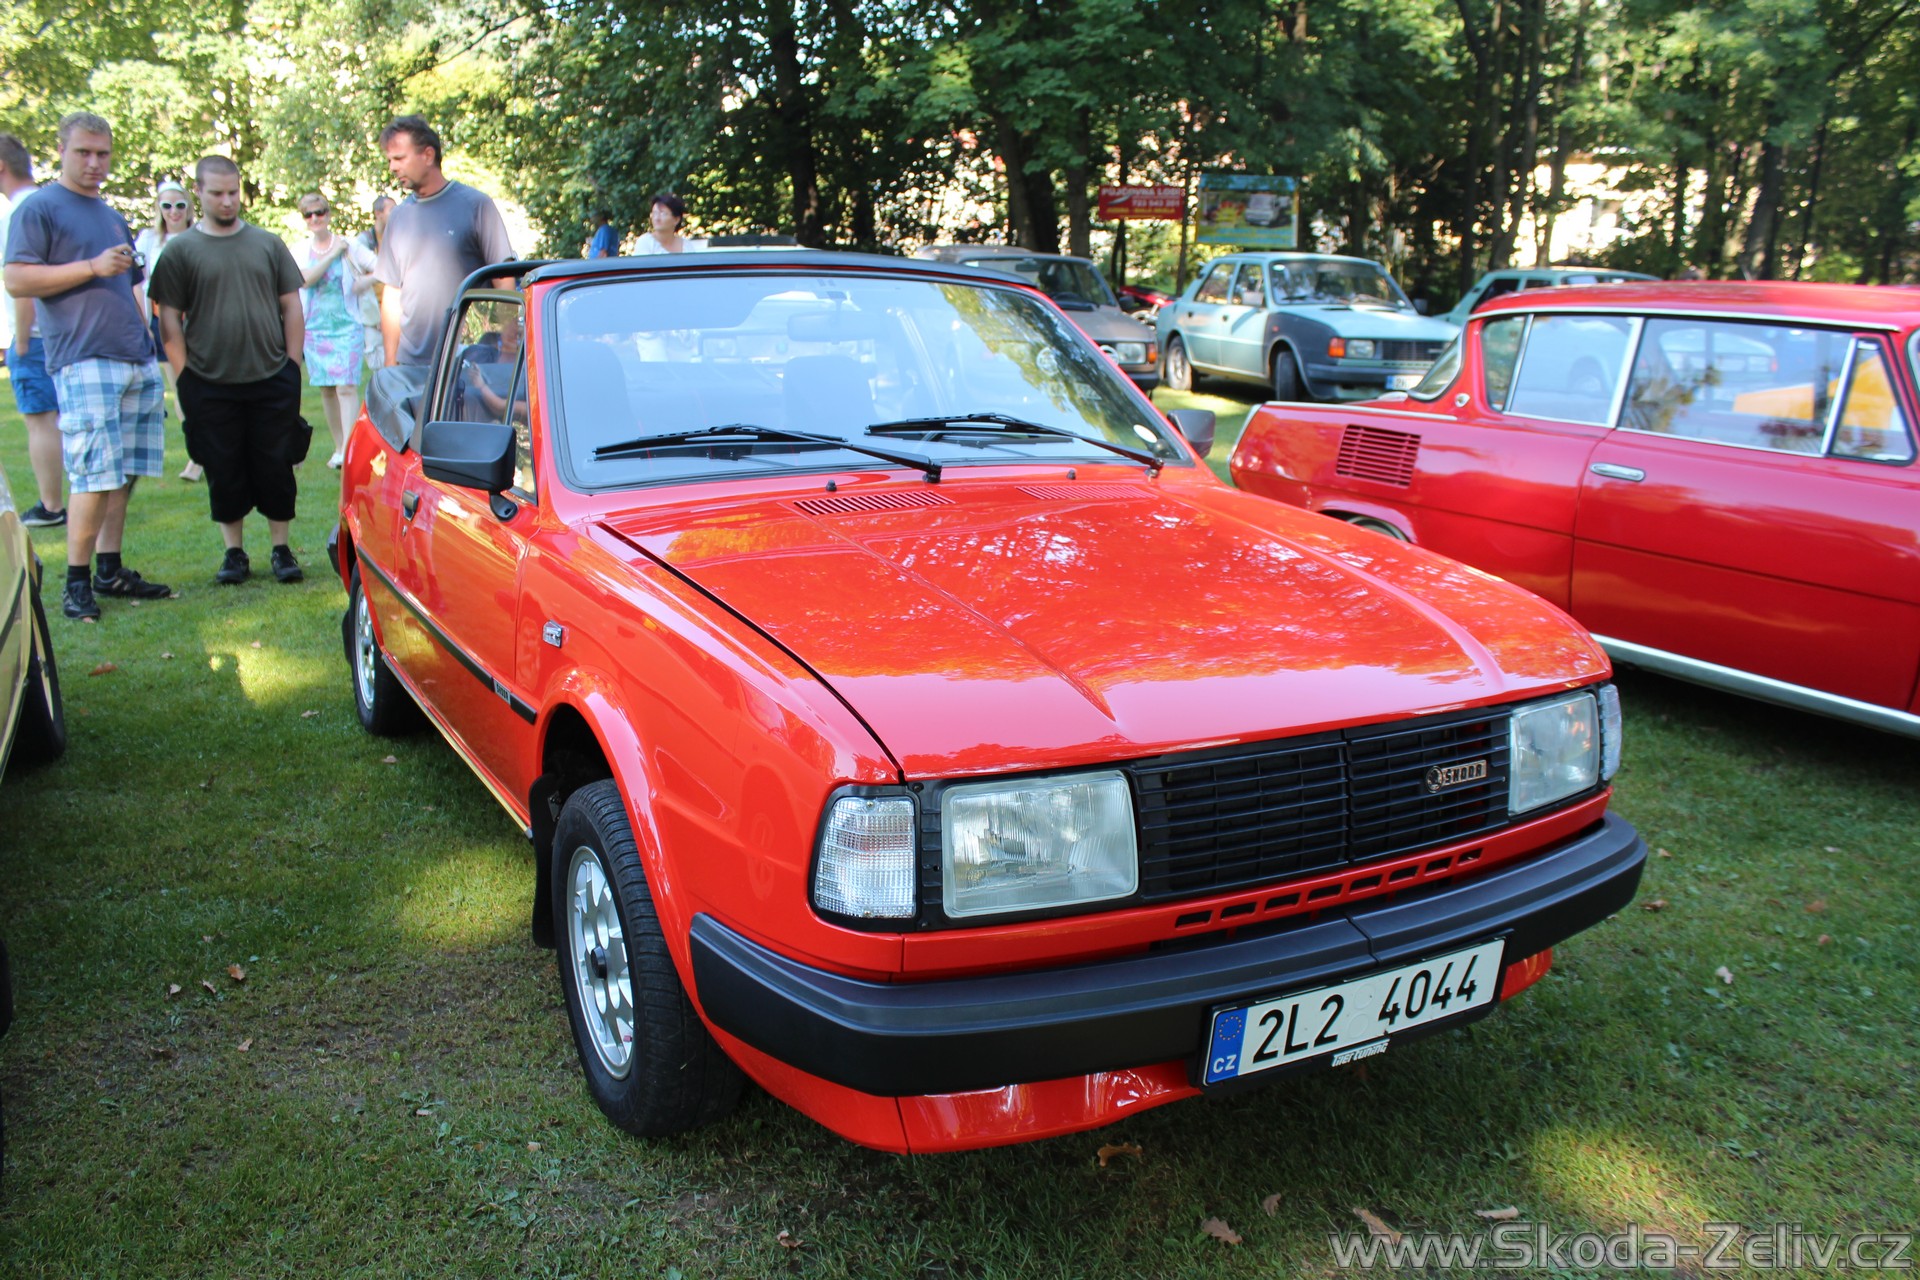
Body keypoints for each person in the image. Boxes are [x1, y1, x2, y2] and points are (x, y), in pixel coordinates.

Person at [3, 112, 173, 621]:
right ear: (61, 150)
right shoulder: (39, 208)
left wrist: (147, 342)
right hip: (83, 358)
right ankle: (76, 583)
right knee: (94, 474)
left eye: (103, 153)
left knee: (123, 473)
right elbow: (16, 279)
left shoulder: (111, 214)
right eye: (84, 152)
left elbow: (133, 284)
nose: (95, 162)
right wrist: (92, 267)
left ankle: (109, 570)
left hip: (133, 356)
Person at [148, 155, 307, 586]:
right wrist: (184, 376)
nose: (227, 201)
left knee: (276, 464)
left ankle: (281, 549)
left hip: (271, 374)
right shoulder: (180, 251)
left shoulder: (267, 243)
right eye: (217, 193)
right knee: (223, 467)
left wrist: (292, 365)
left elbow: (291, 305)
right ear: (198, 192)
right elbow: (168, 317)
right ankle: (234, 553)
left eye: (233, 192)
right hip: (209, 381)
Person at [374, 115, 514, 366]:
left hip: (469, 361)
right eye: (390, 160)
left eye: (400, 158)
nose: (393, 167)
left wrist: (509, 349)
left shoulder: (476, 205)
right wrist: (390, 363)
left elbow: (504, 282)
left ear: (428, 155)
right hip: (413, 365)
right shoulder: (398, 217)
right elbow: (392, 295)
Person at [0, 133, 65, 528]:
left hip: (36, 336)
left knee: (40, 419)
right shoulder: (47, 205)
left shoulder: (17, 214)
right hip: (61, 333)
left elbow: (23, 281)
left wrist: (21, 341)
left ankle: (51, 506)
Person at [292, 191, 376, 468]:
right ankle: (339, 447)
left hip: (347, 326)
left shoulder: (349, 245)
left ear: (328, 214)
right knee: (327, 389)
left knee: (346, 387)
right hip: (314, 329)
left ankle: (351, 450)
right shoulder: (301, 250)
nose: (315, 218)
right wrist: (331, 255)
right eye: (308, 214)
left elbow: (380, 267)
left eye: (320, 212)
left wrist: (363, 283)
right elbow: (304, 280)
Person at [135, 179, 201, 480]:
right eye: (167, 205)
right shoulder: (148, 240)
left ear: (189, 208)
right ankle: (196, 454)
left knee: (204, 386)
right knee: (180, 389)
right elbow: (139, 283)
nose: (173, 211)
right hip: (164, 320)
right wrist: (144, 323)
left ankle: (208, 452)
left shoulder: (200, 236)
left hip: (197, 321)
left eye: (180, 205)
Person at [356, 194, 393, 372]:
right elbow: (357, 281)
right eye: (392, 210)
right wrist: (378, 316)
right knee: (378, 364)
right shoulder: (364, 242)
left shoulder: (397, 239)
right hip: (372, 313)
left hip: (394, 310)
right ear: (378, 213)